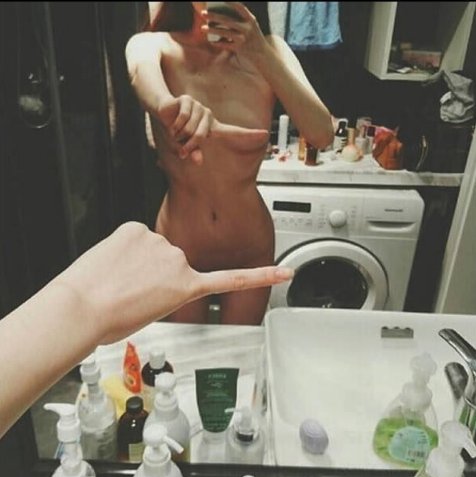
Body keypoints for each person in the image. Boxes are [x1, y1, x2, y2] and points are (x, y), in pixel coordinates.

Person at [125, 2, 333, 325]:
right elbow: (142, 74)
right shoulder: (153, 44)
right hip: (181, 246)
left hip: (249, 247)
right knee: (182, 353)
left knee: (240, 352)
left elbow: (322, 134)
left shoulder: (272, 50)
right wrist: (169, 108)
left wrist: (260, 53)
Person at [0, 222, 293, 438]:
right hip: (182, 229)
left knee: (240, 363)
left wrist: (84, 303)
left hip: (248, 233)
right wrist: (83, 303)